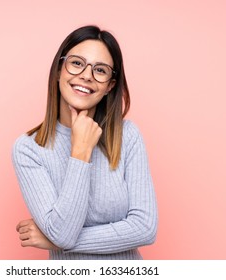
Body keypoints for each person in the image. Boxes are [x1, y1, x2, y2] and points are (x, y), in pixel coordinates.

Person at [12, 25, 158, 260]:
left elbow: (145, 228)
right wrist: (80, 151)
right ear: (60, 69)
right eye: (77, 63)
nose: (87, 75)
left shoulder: (127, 136)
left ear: (110, 85)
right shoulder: (29, 149)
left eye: (100, 70)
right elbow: (63, 235)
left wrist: (53, 240)